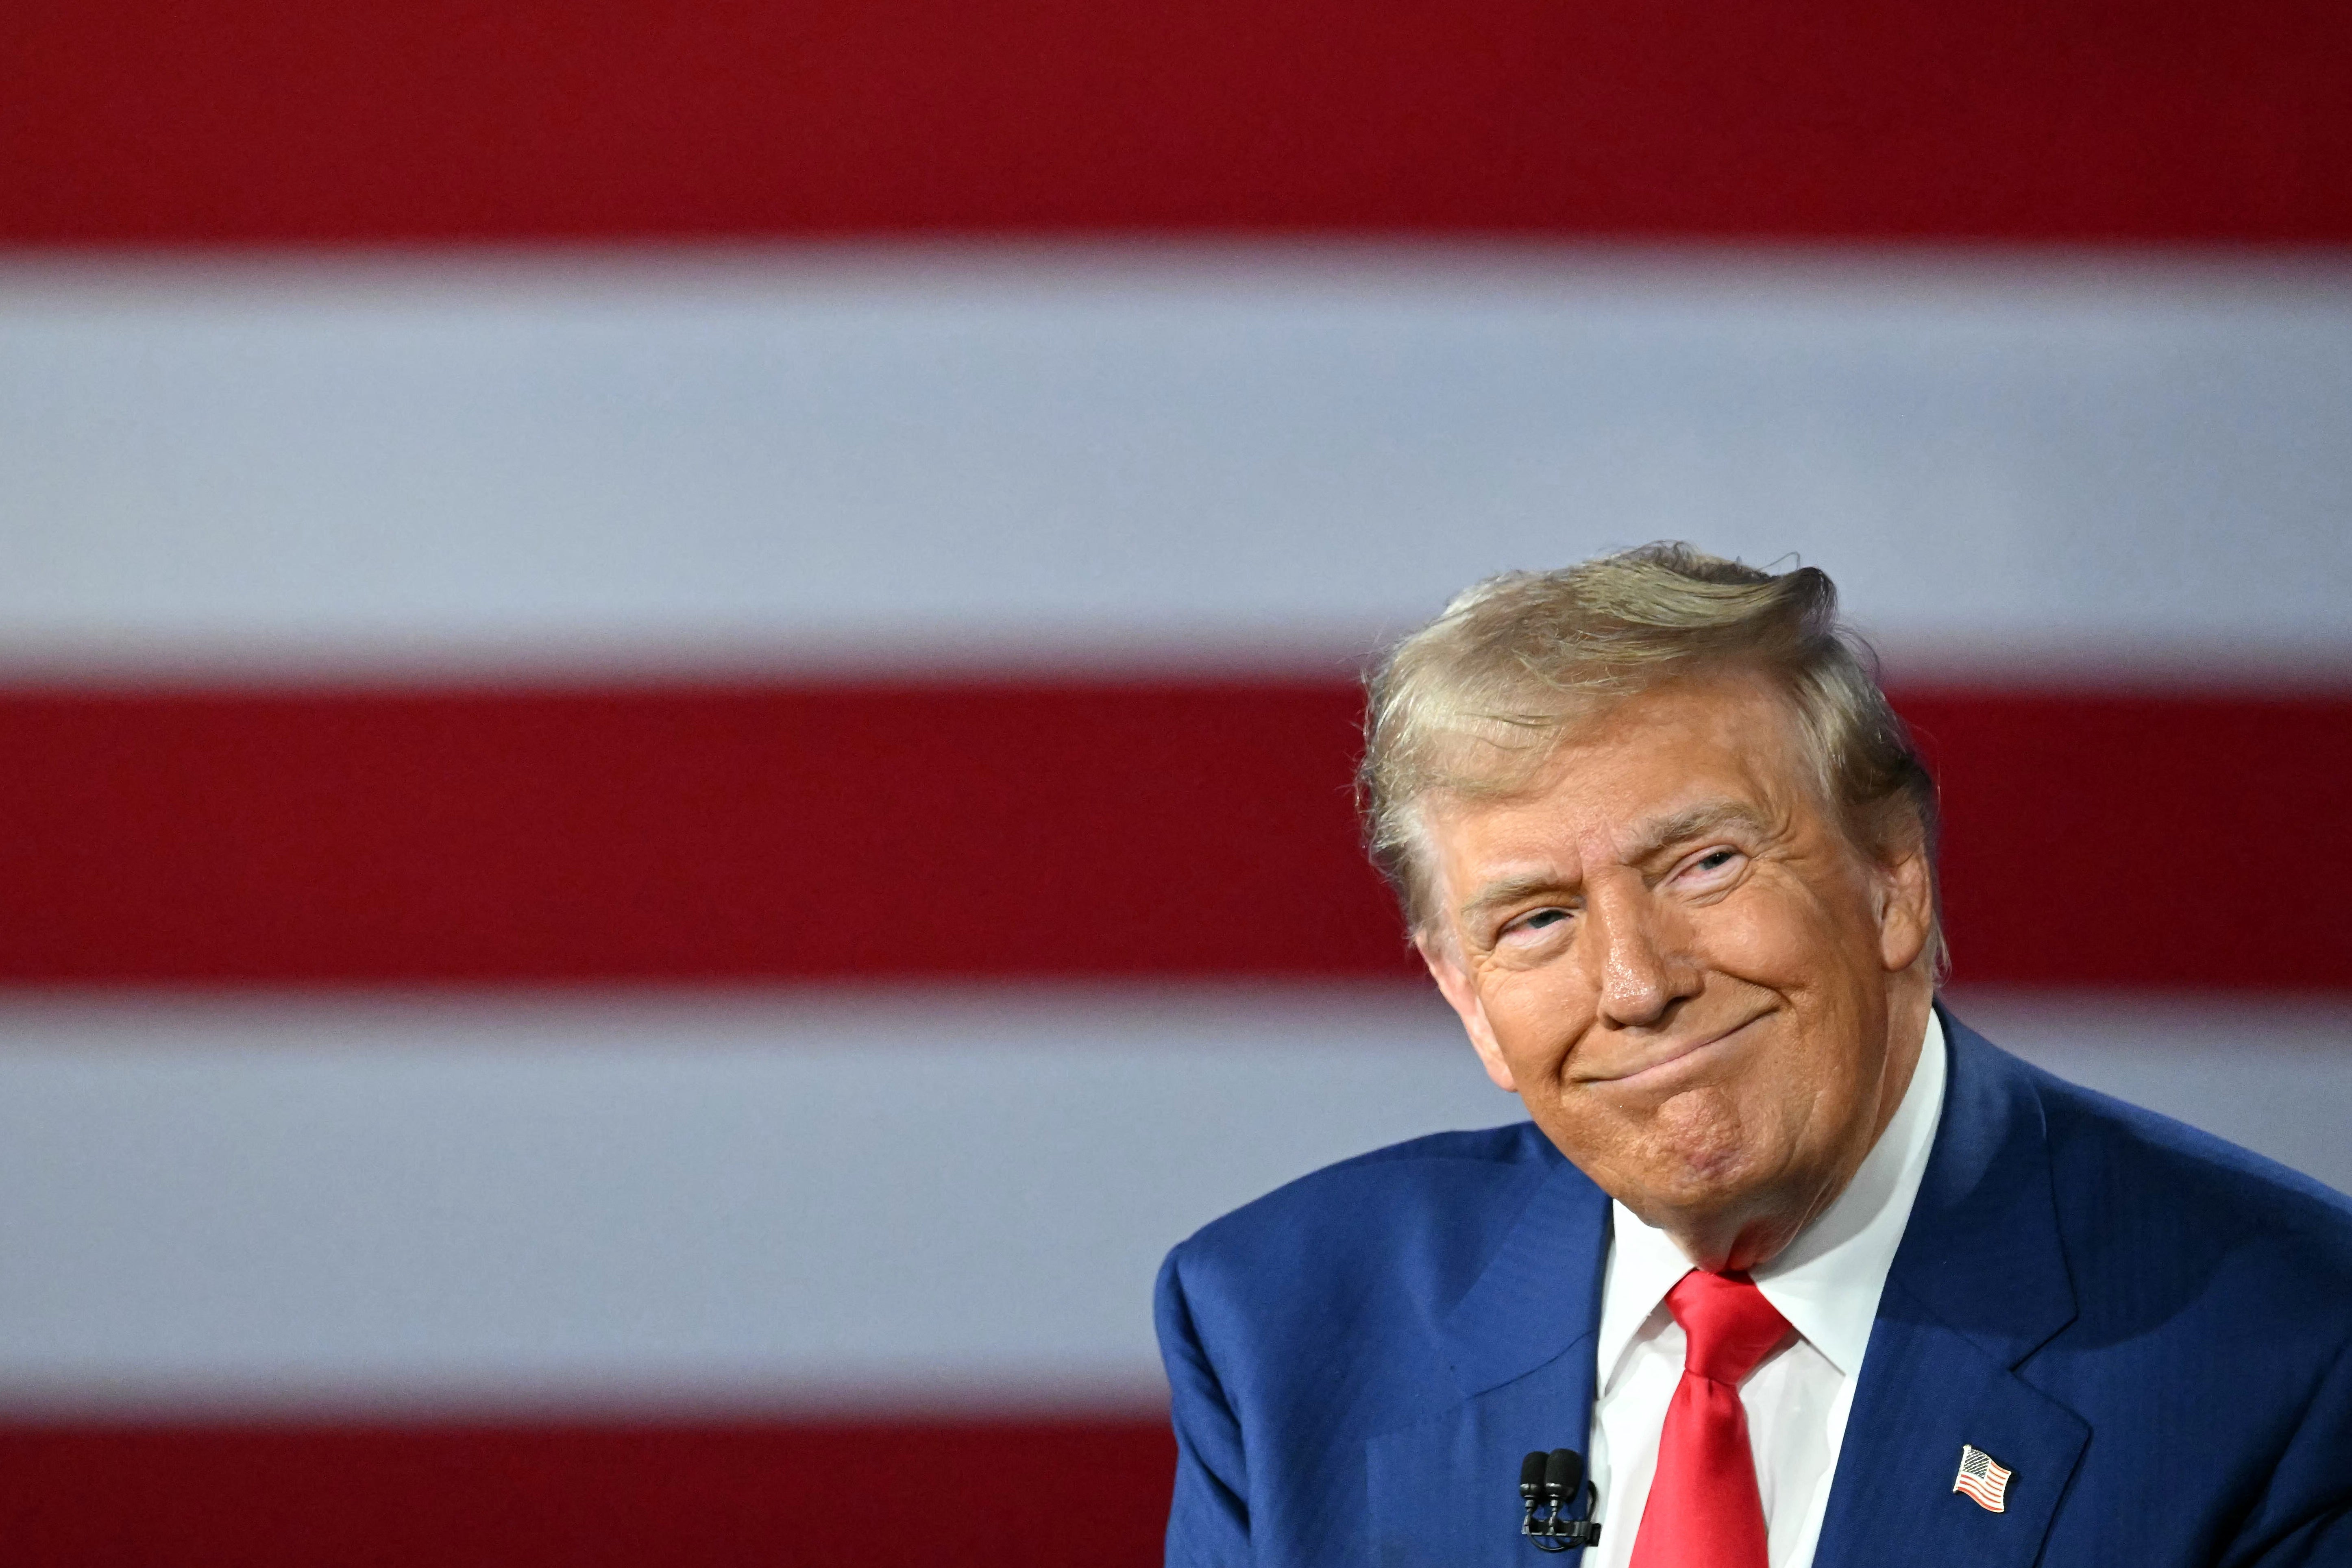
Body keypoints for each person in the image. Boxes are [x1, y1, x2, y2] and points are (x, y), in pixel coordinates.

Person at [1154, 544, 2352, 1567]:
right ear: (1467, 999)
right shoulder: (1282, 1326)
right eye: (1538, 920)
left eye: (1705, 865)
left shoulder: (2288, 1350)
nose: (1637, 985)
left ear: (1896, 882)